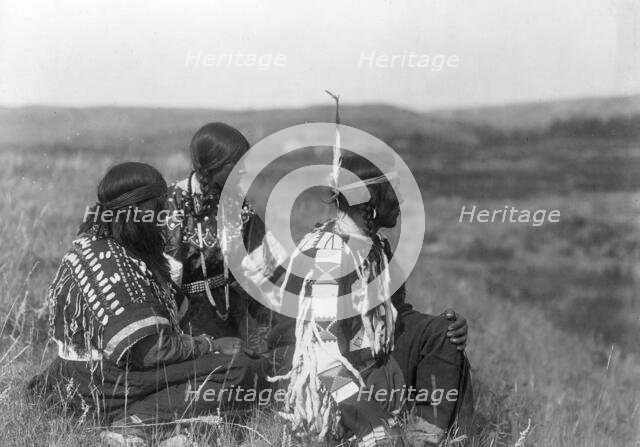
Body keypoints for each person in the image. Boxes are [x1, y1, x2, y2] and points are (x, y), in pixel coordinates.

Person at [28, 162, 275, 446]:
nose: (163, 219)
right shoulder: (115, 266)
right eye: (157, 211)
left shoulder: (101, 244)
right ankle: (137, 423)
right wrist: (212, 346)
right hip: (105, 384)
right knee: (240, 370)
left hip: (79, 378)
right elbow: (150, 351)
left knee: (243, 364)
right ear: (136, 212)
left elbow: (177, 309)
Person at [265, 151, 473, 446]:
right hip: (329, 379)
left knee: (443, 336)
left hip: (369, 360)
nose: (400, 199)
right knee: (382, 435)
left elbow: (394, 316)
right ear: (370, 199)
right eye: (392, 190)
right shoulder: (328, 256)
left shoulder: (375, 245)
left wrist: (442, 329)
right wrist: (368, 418)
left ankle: (431, 438)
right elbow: (322, 357)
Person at [163, 123, 280, 352]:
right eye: (235, 164)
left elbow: (264, 258)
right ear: (210, 166)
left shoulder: (235, 200)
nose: (244, 170)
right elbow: (168, 277)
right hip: (185, 314)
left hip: (231, 307)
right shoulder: (172, 203)